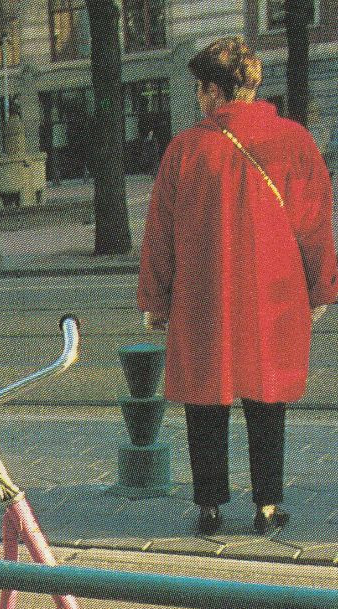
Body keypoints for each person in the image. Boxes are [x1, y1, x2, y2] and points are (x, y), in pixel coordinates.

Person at [138, 37, 337, 536]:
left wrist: (155, 300)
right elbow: (314, 224)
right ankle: (267, 507)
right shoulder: (294, 142)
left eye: (199, 89)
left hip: (202, 295)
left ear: (209, 90)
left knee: (206, 400)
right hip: (274, 293)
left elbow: (160, 232)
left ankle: (208, 507)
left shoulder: (185, 150)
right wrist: (321, 289)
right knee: (266, 397)